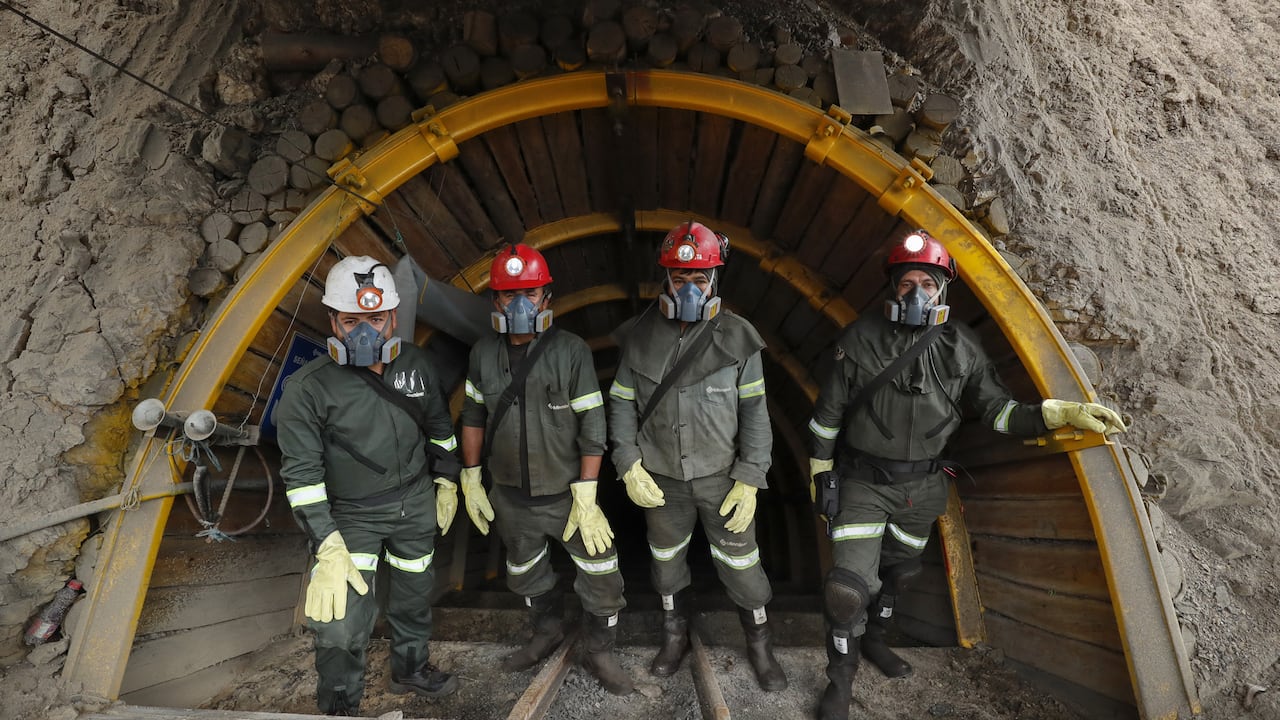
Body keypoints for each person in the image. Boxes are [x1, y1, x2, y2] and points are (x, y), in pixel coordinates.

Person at [806, 230, 1128, 720]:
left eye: (927, 283)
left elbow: (997, 412)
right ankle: (841, 680)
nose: (916, 293)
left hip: (923, 490)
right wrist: (821, 474)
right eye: (906, 282)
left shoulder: (962, 348)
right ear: (892, 287)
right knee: (848, 587)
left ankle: (875, 641)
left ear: (942, 289)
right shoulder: (859, 340)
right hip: (863, 482)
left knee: (900, 572)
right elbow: (827, 416)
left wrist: (1057, 413)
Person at [276, 255, 463, 716]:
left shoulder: (416, 364)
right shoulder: (308, 389)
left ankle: (410, 669)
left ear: (393, 319)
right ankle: (340, 703)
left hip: (415, 505)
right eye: (352, 319)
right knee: (341, 625)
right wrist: (327, 543)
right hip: (351, 519)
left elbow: (440, 427)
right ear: (334, 323)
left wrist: (448, 482)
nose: (366, 332)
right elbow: (301, 479)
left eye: (376, 319)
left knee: (414, 598)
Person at [608, 221, 787, 692]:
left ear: (715, 281)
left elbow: (756, 414)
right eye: (680, 279)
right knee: (665, 561)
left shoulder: (739, 340)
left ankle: (759, 643)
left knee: (742, 563)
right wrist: (627, 462)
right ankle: (673, 635)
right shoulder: (639, 337)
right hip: (662, 480)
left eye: (700, 279)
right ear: (665, 279)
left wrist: (750, 477)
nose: (690, 289)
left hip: (722, 479)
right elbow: (621, 405)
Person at [458, 244, 632, 695]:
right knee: (525, 571)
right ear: (494, 301)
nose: (519, 305)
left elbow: (594, 424)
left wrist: (588, 492)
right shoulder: (481, 354)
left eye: (530, 293)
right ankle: (546, 630)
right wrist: (471, 476)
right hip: (511, 495)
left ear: (546, 297)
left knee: (601, 572)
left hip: (566, 495)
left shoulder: (570, 351)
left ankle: (600, 649)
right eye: (508, 295)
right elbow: (474, 416)